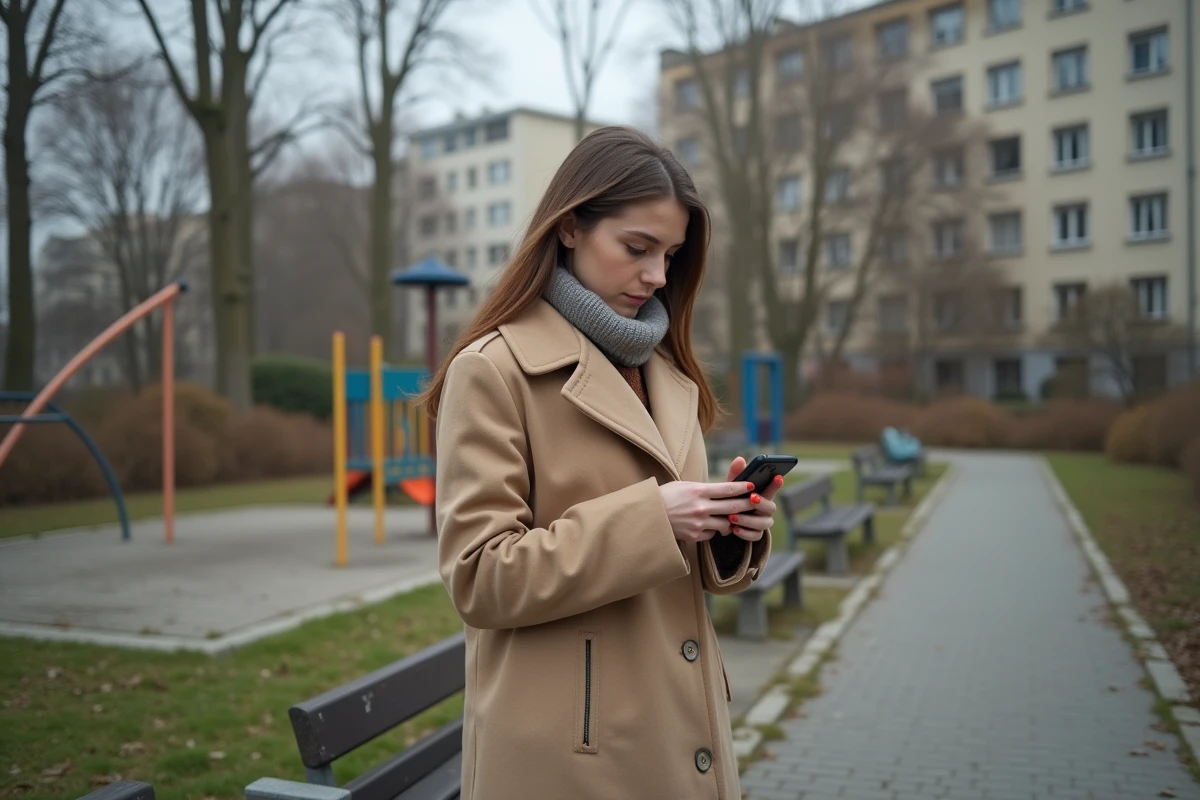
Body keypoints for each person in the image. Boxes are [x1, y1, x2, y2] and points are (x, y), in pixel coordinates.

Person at [420, 125, 783, 800]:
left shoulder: (668, 373)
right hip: (569, 756)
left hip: (681, 727)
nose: (656, 276)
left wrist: (726, 531)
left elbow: (678, 576)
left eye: (671, 255)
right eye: (637, 248)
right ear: (569, 229)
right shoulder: (494, 371)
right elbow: (480, 577)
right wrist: (657, 519)